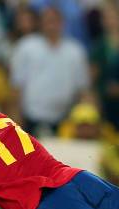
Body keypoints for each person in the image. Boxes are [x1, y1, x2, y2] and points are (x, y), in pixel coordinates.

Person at [10, 6, 90, 135]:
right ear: (41, 23)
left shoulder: (75, 51)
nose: (51, 25)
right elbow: (17, 86)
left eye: (55, 21)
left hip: (65, 119)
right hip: (32, 117)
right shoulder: (26, 46)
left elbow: (83, 89)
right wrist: (16, 119)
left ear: (63, 23)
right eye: (48, 21)